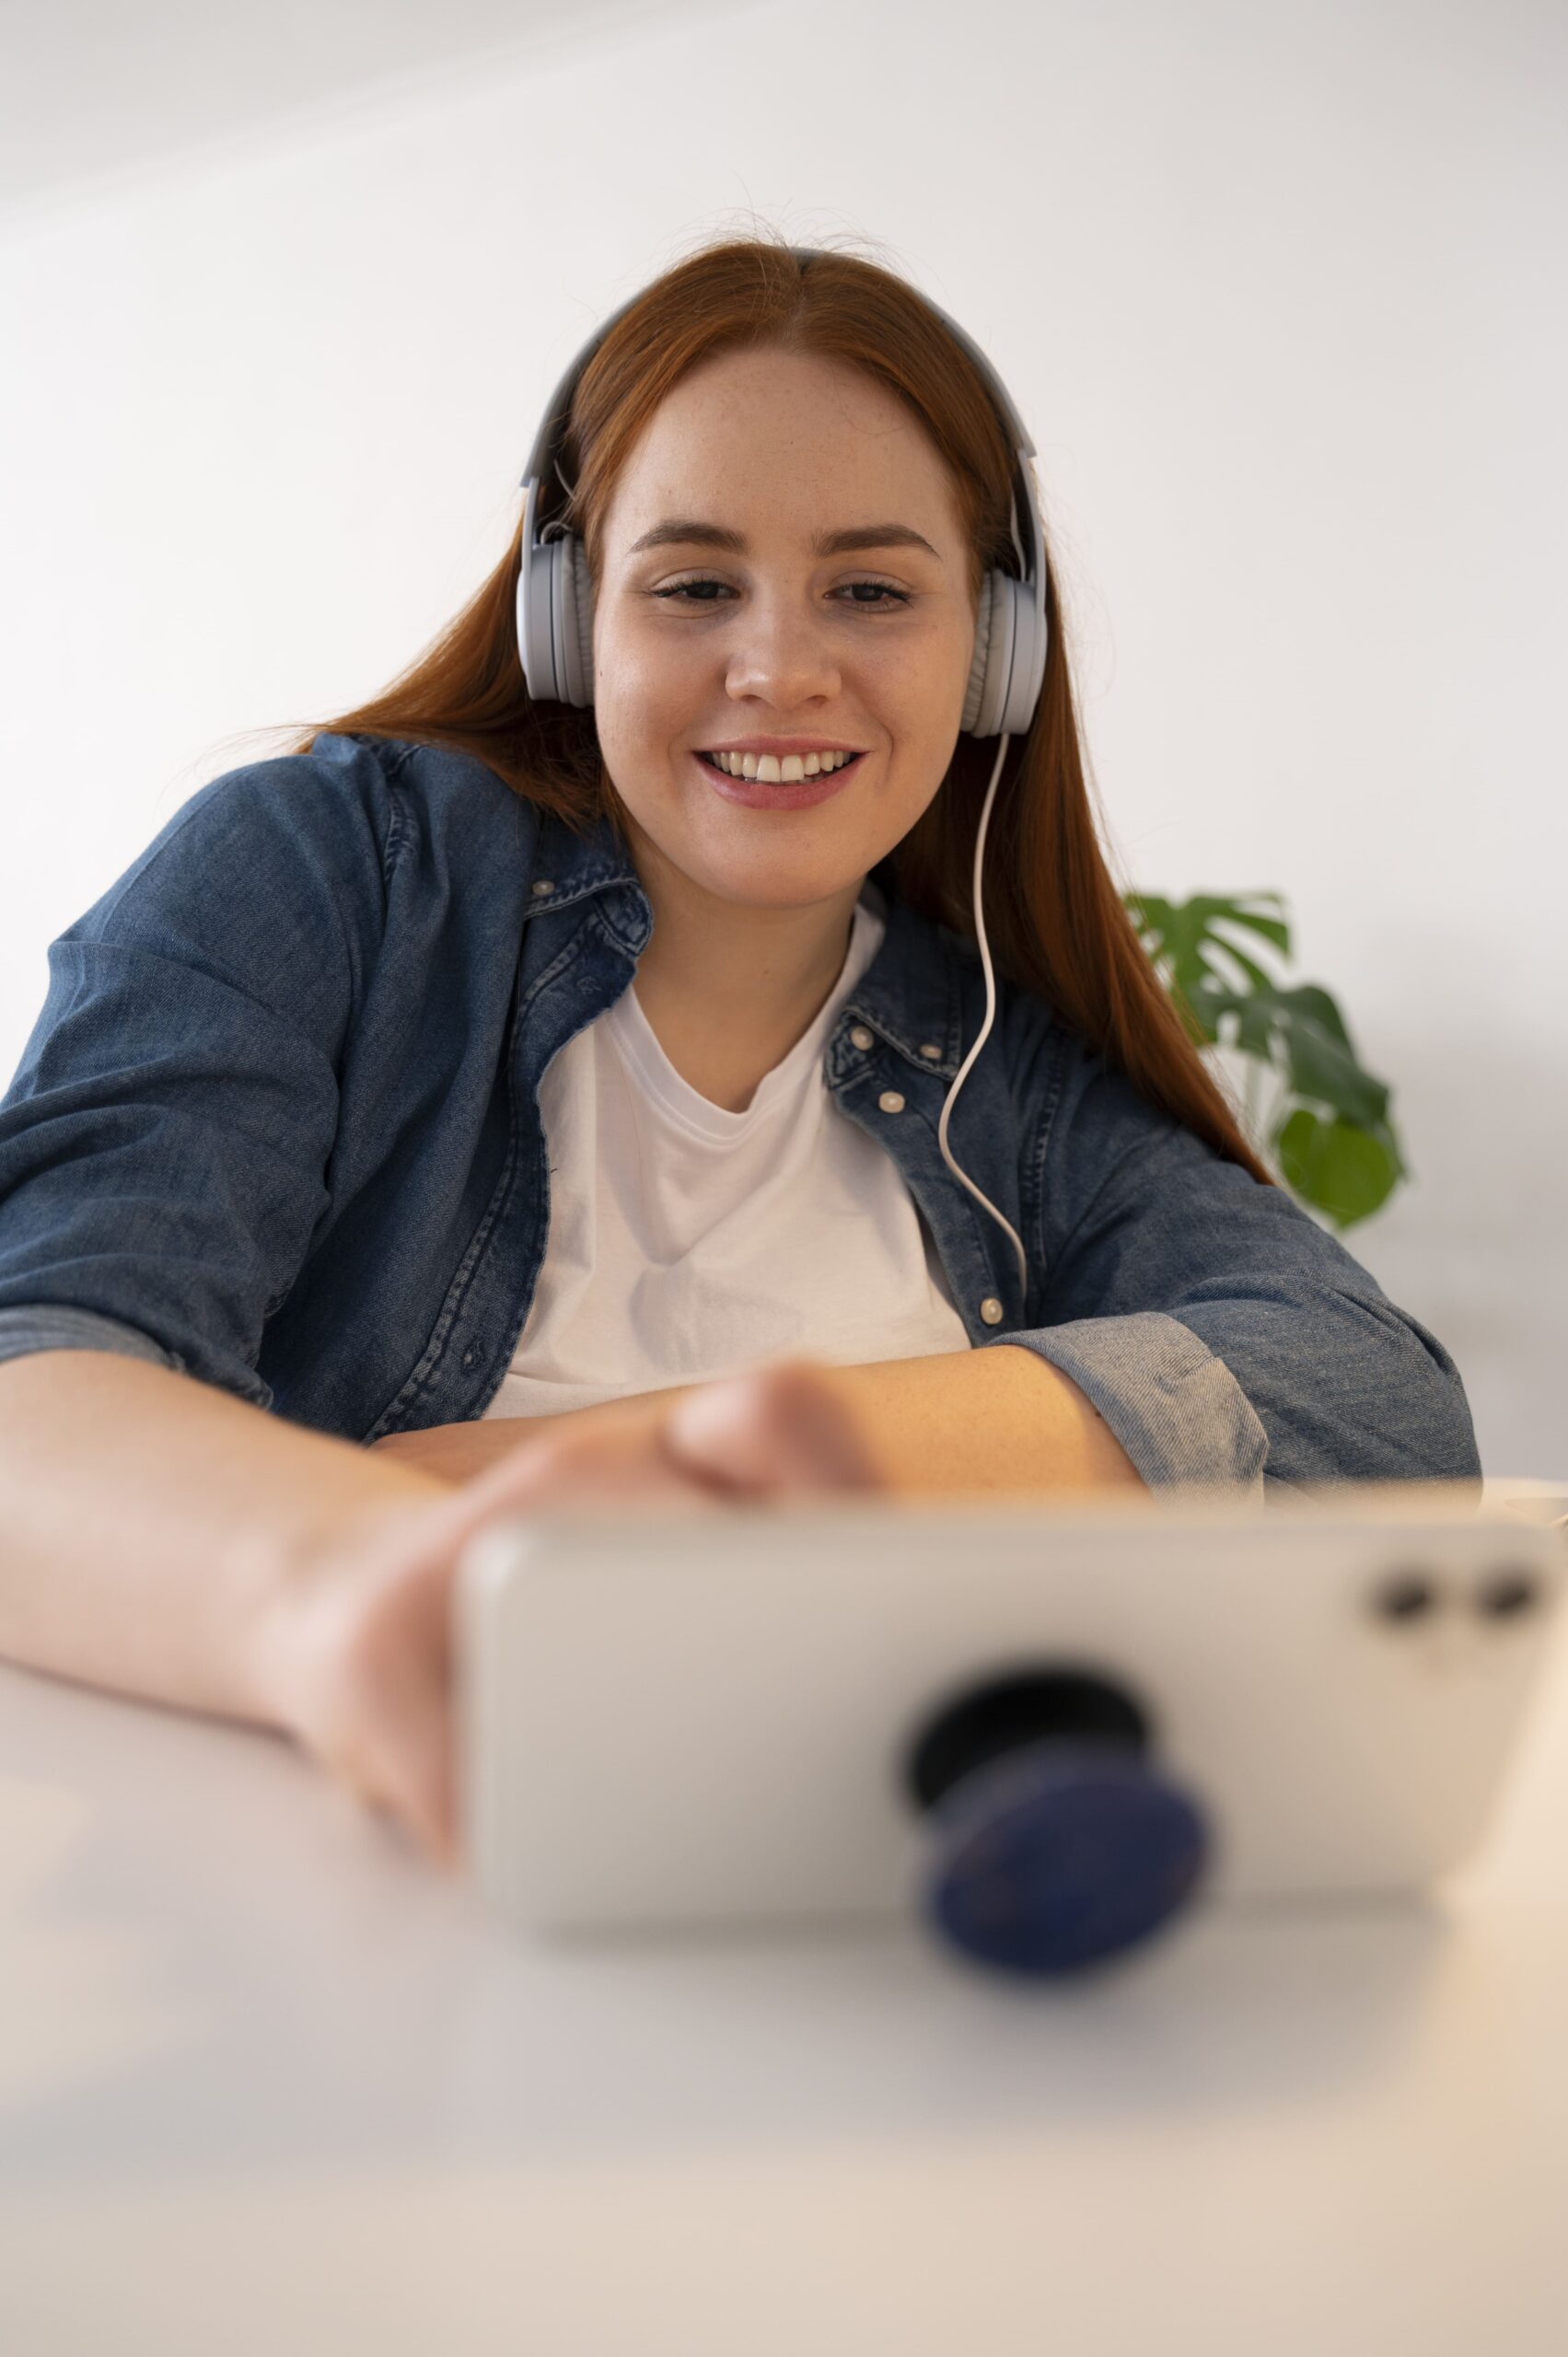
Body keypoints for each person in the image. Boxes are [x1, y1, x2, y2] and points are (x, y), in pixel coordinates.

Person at [0, 234, 1481, 1877]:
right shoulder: (328, 875)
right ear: (570, 620)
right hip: (339, 1872)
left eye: (873, 590)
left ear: (995, 650)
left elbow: (1375, 1409)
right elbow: (37, 1374)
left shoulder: (1012, 1061)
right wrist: (358, 1579)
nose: (779, 668)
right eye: (694, 585)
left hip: (838, 1877)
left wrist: (604, 1478)